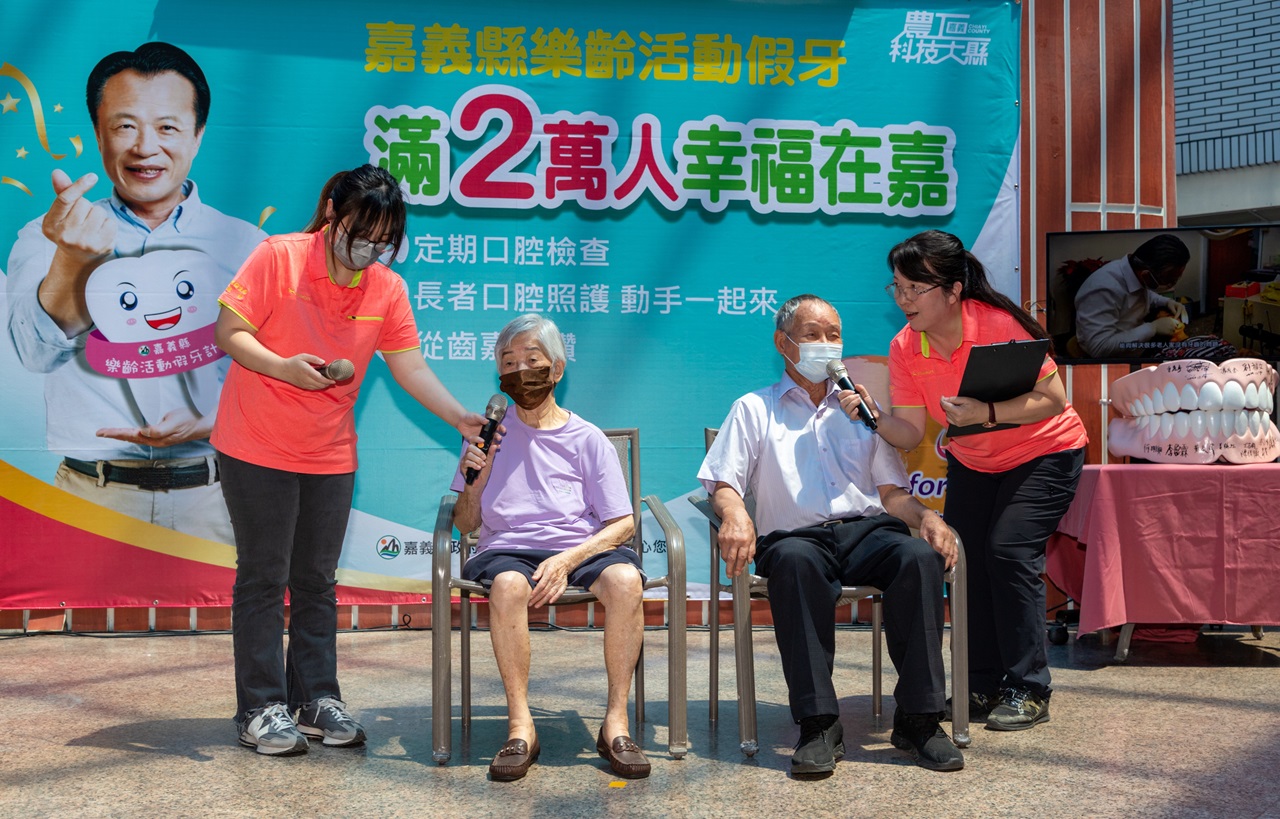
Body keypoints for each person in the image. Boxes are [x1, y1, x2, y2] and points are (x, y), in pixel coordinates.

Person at [211, 164, 490, 756]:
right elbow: (230, 331)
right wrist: (283, 367)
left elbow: (408, 365)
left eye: (383, 242)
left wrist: (459, 418)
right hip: (256, 444)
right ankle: (260, 707)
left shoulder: (386, 288)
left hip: (330, 452)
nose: (369, 251)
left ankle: (315, 698)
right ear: (332, 214)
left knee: (316, 580)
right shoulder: (279, 257)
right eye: (361, 235)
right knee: (264, 576)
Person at [5, 42, 265, 544]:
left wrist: (213, 420)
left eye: (167, 127)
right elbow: (35, 353)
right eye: (125, 126)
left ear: (198, 135)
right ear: (98, 133)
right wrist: (72, 260)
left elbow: (283, 378)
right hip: (90, 498)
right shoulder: (49, 234)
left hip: (219, 499)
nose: (145, 147)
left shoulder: (249, 246)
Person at [698, 294, 965, 776]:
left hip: (868, 531)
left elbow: (891, 494)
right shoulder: (755, 408)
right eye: (812, 334)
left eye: (834, 335)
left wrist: (926, 517)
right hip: (795, 538)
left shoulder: (862, 410)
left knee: (917, 558)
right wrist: (735, 514)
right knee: (796, 564)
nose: (826, 344)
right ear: (784, 344)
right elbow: (724, 483)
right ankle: (819, 723)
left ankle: (920, 720)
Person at [854, 229, 1088, 732]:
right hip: (976, 460)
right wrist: (874, 416)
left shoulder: (997, 325)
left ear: (953, 290)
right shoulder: (905, 346)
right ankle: (980, 683)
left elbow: (1053, 400)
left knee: (1008, 552)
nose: (904, 299)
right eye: (897, 287)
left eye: (915, 288)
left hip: (1044, 452)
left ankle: (1028, 687)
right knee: (963, 561)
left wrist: (986, 412)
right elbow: (910, 431)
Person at [451, 313, 651, 782]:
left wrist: (568, 559)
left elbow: (623, 522)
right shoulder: (487, 436)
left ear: (557, 369)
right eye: (508, 362)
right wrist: (475, 478)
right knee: (507, 586)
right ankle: (521, 726)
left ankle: (615, 723)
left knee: (626, 581)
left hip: (577, 547)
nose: (520, 371)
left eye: (532, 360)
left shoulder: (587, 438)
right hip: (508, 548)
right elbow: (465, 523)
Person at [1073, 234, 1191, 358]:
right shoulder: (1104, 289)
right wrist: (1153, 328)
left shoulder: (1135, 273)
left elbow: (1144, 294)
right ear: (1146, 275)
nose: (1171, 285)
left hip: (1138, 347)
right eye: (1169, 280)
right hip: (1114, 359)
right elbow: (1099, 347)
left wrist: (1167, 302)